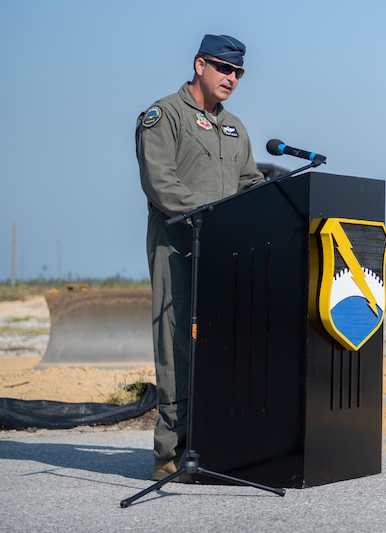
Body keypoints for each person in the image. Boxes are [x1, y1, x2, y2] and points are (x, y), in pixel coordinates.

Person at [135, 34, 265, 481]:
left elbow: (249, 182)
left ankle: (213, 444)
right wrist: (205, 216)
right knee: (177, 347)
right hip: (178, 247)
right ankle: (170, 452)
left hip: (225, 252)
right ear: (199, 65)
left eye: (238, 73)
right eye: (224, 69)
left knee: (223, 347)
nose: (231, 78)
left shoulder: (235, 128)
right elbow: (160, 182)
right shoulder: (164, 116)